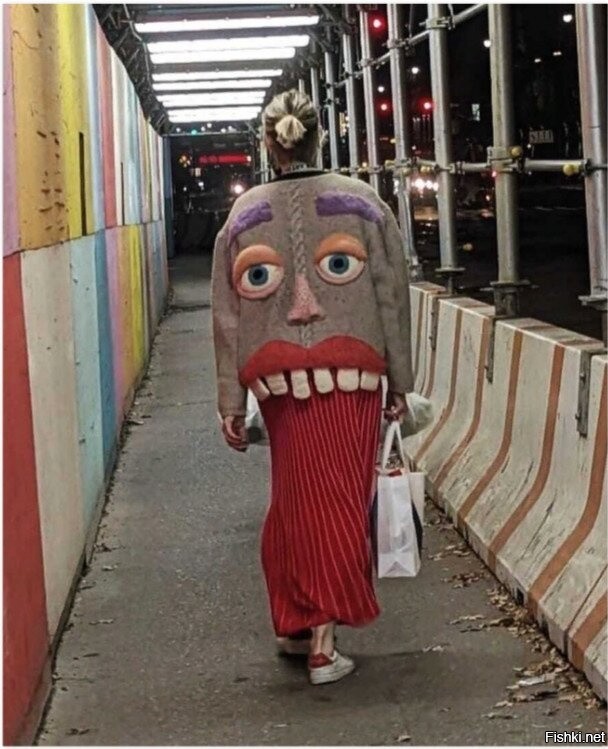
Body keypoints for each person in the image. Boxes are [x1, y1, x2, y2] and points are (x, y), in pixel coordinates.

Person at [212, 89, 413, 685]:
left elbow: (227, 316)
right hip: (354, 375)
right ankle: (323, 644)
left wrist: (230, 401)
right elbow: (392, 296)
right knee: (340, 501)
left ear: (268, 145)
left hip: (277, 384)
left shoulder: (243, 213)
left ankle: (297, 622)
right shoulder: (364, 203)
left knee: (294, 500)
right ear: (320, 137)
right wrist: (401, 382)